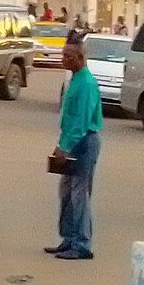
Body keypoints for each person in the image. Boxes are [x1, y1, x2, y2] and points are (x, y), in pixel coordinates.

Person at [47, 40, 103, 261]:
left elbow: (81, 121)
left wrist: (65, 147)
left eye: (69, 56)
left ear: (80, 58)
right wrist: (61, 143)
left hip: (84, 141)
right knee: (67, 192)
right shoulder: (74, 80)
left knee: (80, 194)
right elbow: (69, 119)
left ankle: (82, 243)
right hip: (72, 139)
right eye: (63, 55)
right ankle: (69, 238)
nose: (64, 60)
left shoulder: (87, 83)